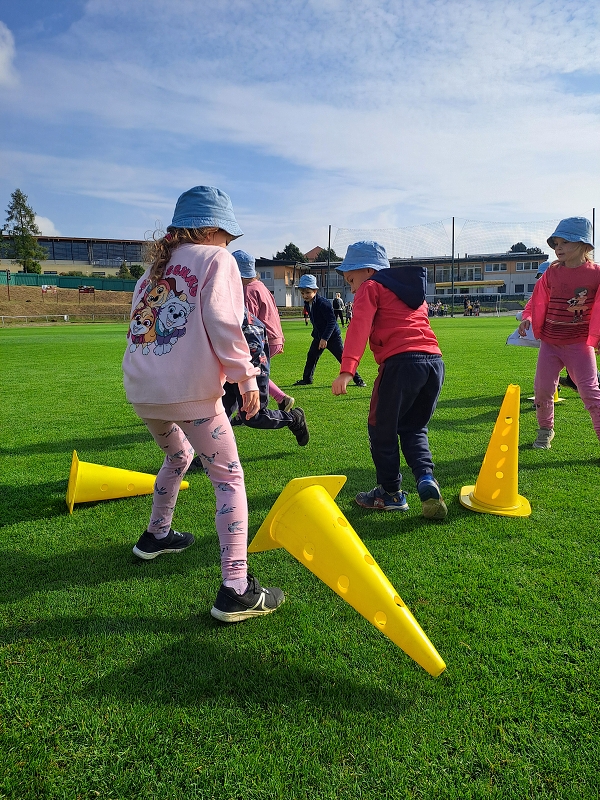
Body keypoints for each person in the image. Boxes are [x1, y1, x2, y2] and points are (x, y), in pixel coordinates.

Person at [122, 185, 285, 622]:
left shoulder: (149, 273)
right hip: (189, 394)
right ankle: (236, 588)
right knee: (229, 478)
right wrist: (247, 379)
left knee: (178, 454)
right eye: (228, 237)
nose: (230, 245)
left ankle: (155, 536)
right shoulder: (217, 260)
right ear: (212, 230)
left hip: (143, 393)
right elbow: (225, 323)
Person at [331, 240, 447, 520]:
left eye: (352, 279)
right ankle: (426, 478)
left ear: (369, 271)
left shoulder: (371, 287)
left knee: (380, 428)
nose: (352, 287)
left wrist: (347, 369)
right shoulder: (412, 291)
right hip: (434, 363)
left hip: (400, 365)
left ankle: (390, 493)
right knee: (414, 427)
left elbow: (359, 327)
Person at [518, 217, 600, 449]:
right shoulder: (551, 273)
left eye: (565, 242)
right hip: (550, 345)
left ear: (584, 246)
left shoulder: (596, 274)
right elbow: (536, 301)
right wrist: (527, 318)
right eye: (555, 243)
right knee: (542, 390)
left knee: (591, 394)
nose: (558, 248)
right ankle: (545, 430)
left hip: (580, 345)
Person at [231, 250, 295, 413]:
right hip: (274, 336)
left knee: (252, 372)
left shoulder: (247, 291)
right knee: (255, 372)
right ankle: (243, 409)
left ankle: (281, 398)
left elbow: (248, 320)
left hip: (262, 339)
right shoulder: (261, 287)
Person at [293, 274, 367, 387]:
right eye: (302, 293)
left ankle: (359, 380)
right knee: (311, 356)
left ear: (315, 290)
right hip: (319, 336)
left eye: (308, 292)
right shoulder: (307, 304)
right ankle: (307, 379)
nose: (305, 296)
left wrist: (325, 338)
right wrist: (319, 337)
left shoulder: (323, 303)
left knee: (342, 358)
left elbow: (332, 322)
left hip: (332, 337)